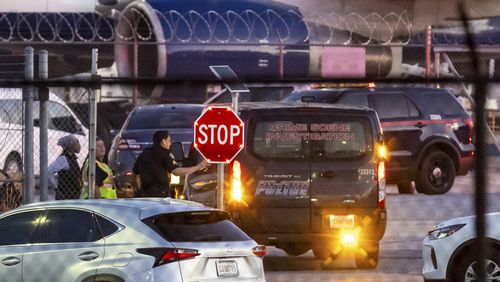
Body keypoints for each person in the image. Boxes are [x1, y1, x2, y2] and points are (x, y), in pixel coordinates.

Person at [133, 130, 208, 198]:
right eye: (169, 141)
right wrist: (198, 167)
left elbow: (135, 173)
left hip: (144, 194)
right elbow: (176, 171)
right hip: (160, 195)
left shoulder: (145, 153)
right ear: (163, 142)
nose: (170, 143)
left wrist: (139, 189)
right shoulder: (165, 154)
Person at [48, 135, 81, 200]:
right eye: (77, 143)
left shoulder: (72, 158)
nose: (80, 145)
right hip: (66, 197)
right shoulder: (64, 159)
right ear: (71, 145)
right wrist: (56, 188)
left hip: (71, 196)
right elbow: (49, 171)